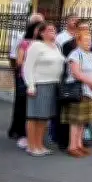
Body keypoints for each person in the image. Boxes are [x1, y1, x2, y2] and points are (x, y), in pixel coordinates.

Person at [23, 22, 65, 157]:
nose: (53, 31)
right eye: (49, 29)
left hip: (53, 85)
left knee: (44, 117)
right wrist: (30, 85)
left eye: (54, 29)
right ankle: (31, 145)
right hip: (39, 84)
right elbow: (27, 66)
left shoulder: (56, 46)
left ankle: (40, 144)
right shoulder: (36, 46)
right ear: (42, 33)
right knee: (34, 116)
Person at [61, 31, 92, 158]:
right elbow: (76, 73)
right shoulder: (75, 54)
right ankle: (72, 146)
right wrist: (90, 83)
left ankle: (79, 145)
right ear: (78, 41)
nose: (89, 43)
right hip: (80, 91)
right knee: (76, 121)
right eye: (86, 40)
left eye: (90, 40)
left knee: (83, 121)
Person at [9, 15, 43, 150]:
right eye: (37, 24)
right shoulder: (22, 39)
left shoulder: (43, 43)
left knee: (34, 106)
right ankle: (18, 130)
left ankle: (32, 133)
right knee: (21, 104)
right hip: (23, 76)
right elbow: (15, 58)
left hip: (39, 78)